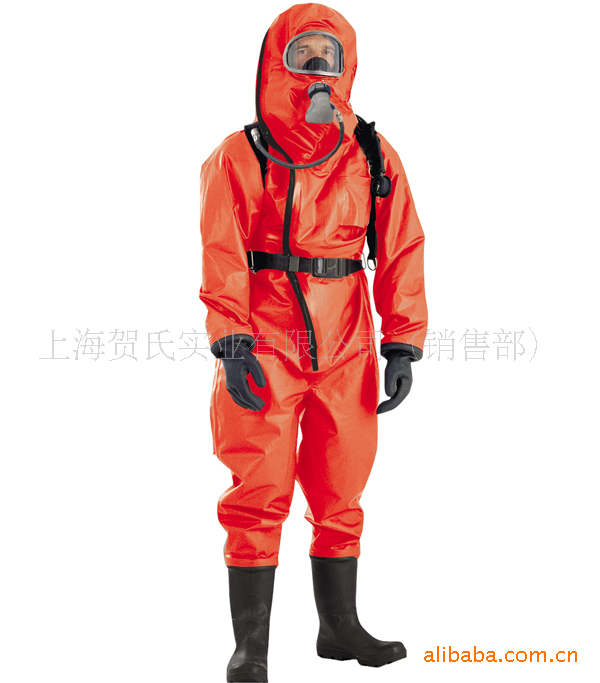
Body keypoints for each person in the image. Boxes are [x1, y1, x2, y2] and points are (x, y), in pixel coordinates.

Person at [198, 4, 428, 682]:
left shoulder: (372, 153)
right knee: (259, 485)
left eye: (330, 55)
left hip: (348, 337)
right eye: (303, 55)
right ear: (276, 62)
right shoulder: (240, 155)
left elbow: (401, 247)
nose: (318, 68)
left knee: (342, 484)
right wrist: (231, 341)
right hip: (266, 335)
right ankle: (252, 648)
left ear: (349, 65)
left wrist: (402, 343)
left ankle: (338, 627)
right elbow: (222, 253)